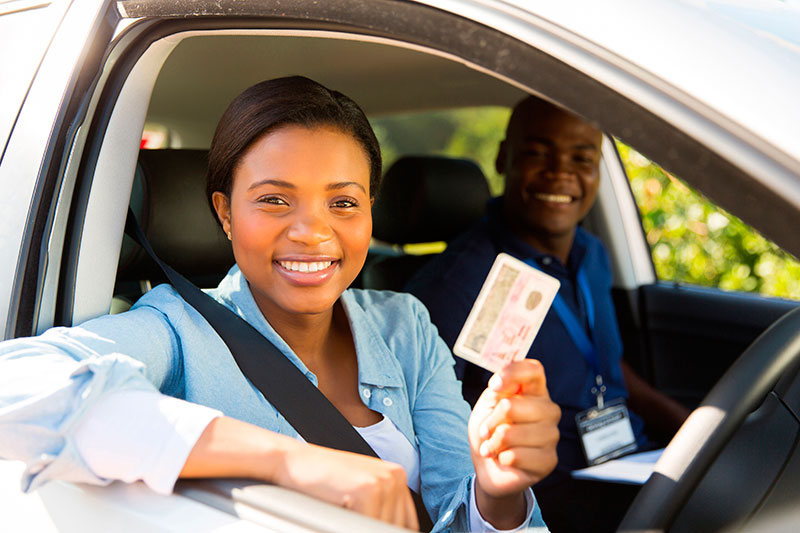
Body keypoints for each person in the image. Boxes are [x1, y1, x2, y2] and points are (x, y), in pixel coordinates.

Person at [0, 77, 563, 532]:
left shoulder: (404, 326)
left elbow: (455, 518)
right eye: (274, 200)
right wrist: (289, 462)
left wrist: (496, 493)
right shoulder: (177, 328)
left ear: (370, 211)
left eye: (342, 202)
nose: (311, 233)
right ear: (224, 214)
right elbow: (15, 388)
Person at [406, 95, 690, 531]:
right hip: (547, 490)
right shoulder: (457, 283)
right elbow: (435, 421)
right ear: (505, 158)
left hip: (628, 461)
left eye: (582, 157)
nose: (560, 172)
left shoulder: (591, 253)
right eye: (539, 153)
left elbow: (605, 364)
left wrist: (685, 424)